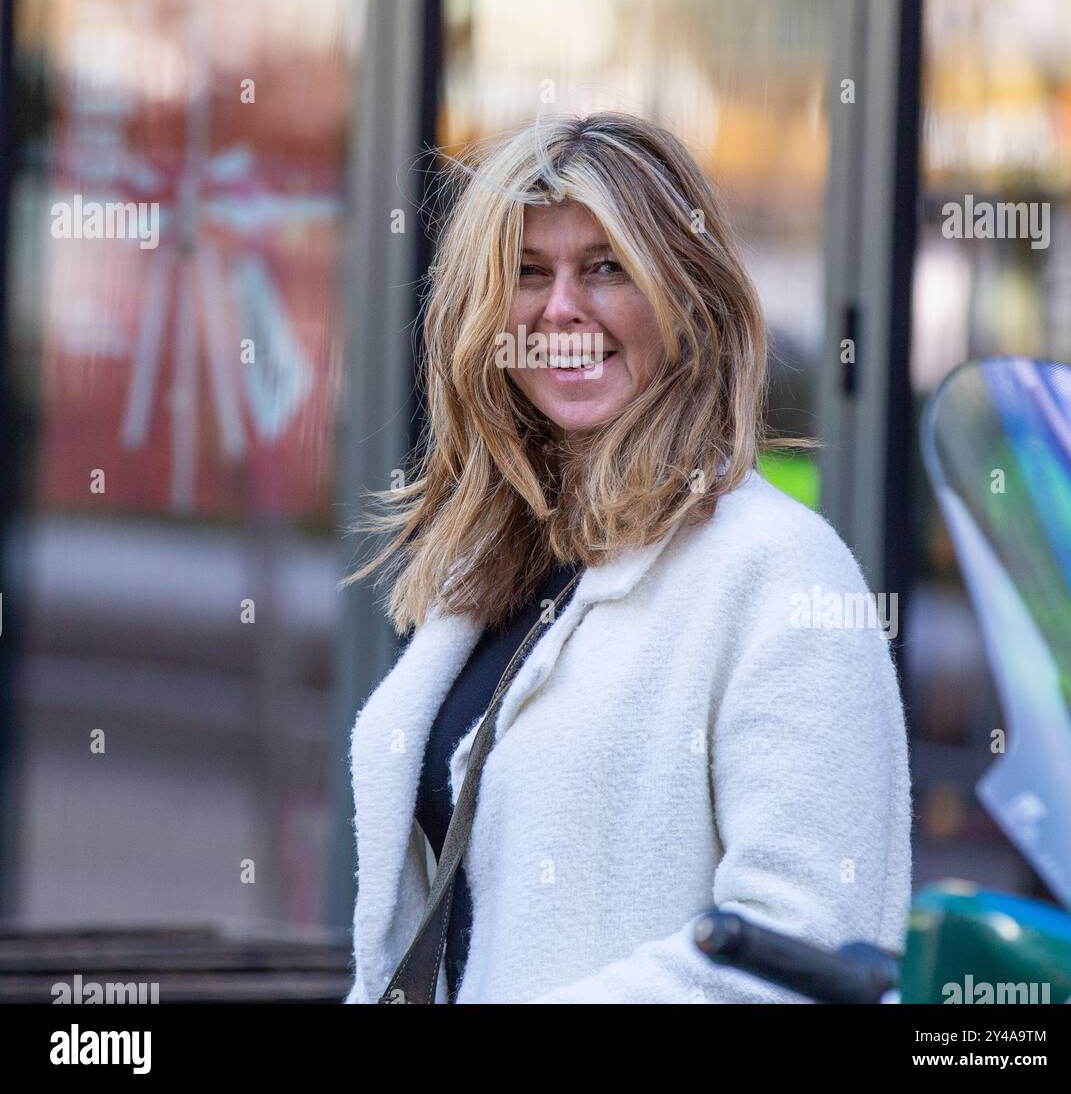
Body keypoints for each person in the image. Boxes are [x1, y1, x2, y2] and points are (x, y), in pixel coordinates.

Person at [341, 110, 912, 1004]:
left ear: (688, 294)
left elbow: (804, 951)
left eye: (606, 267)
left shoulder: (780, 573)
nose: (560, 307)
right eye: (527, 273)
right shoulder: (501, 567)